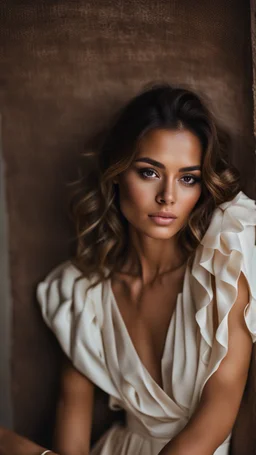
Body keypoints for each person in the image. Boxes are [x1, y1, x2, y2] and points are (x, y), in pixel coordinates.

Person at [37, 84, 256, 455]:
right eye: (149, 172)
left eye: (188, 178)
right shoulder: (83, 293)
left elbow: (219, 409)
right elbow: (71, 413)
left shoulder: (223, 267)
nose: (168, 196)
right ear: (117, 172)